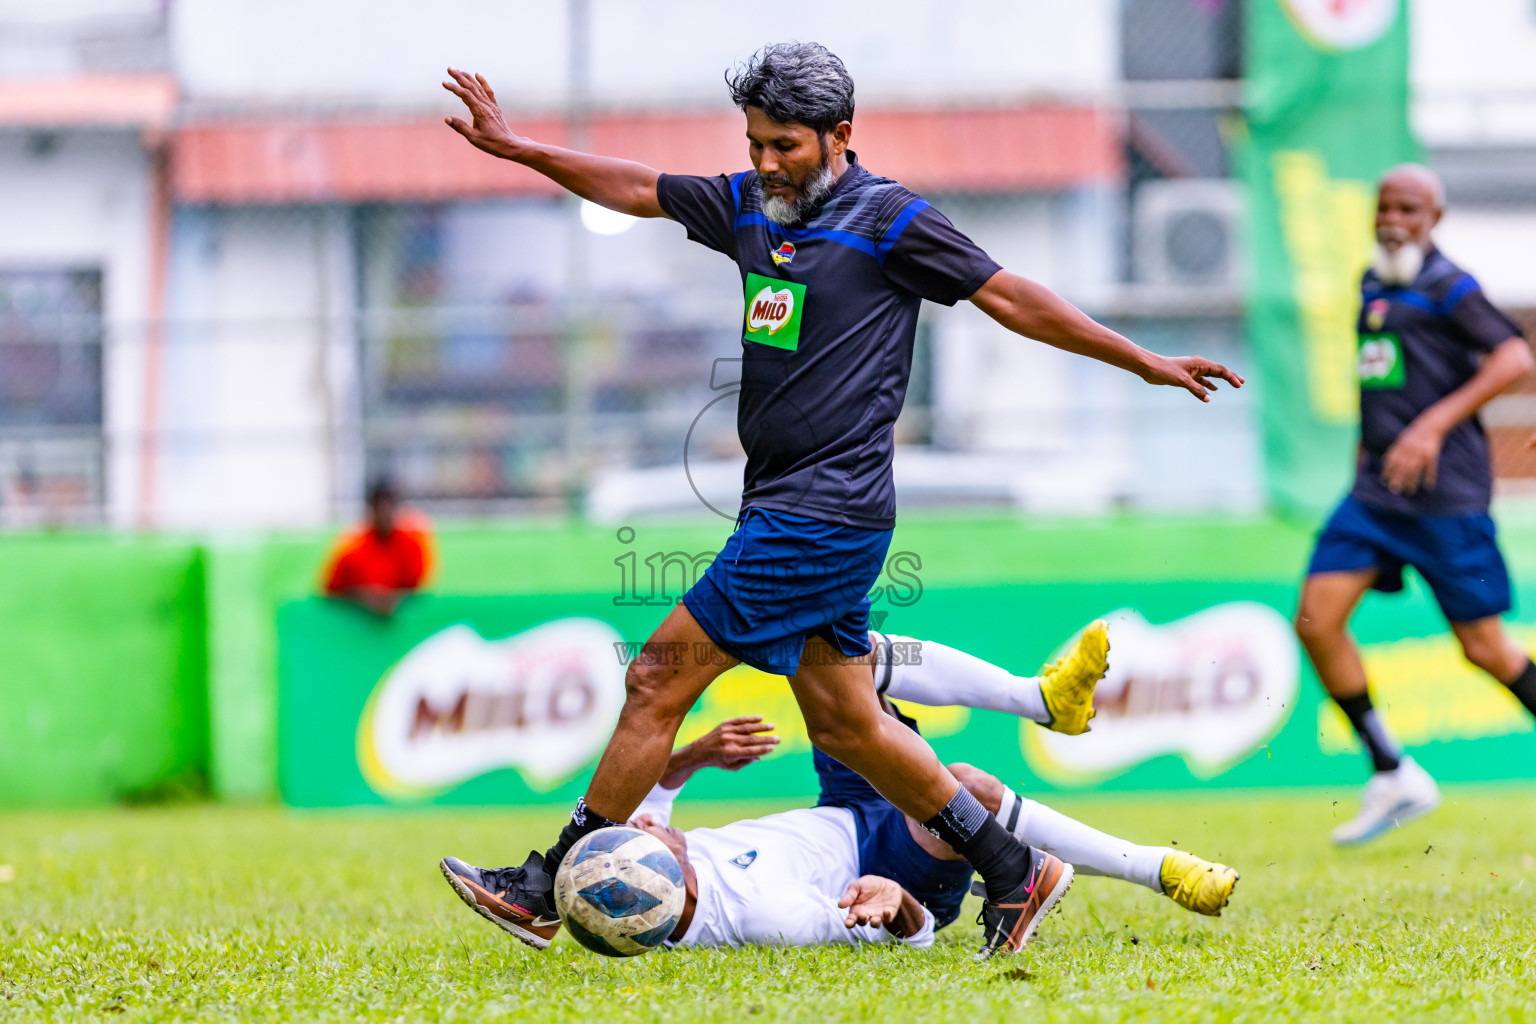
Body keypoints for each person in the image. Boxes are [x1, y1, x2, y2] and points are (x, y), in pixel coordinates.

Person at [436, 43, 1243, 958]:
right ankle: (1015, 874)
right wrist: (522, 149)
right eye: (754, 143)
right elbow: (637, 187)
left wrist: (1142, 359)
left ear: (840, 135)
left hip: (819, 515)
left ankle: (548, 884)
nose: (765, 162)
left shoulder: (889, 219)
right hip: (796, 509)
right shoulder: (750, 204)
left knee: (657, 677)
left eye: (784, 145)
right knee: (850, 724)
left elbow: (1011, 297)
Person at [445, 630, 1238, 952]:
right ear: (667, 877)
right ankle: (1155, 867)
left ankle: (1039, 699)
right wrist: (897, 904)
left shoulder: (637, 874)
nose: (647, 826)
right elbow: (907, 933)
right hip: (886, 847)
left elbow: (652, 790)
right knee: (968, 789)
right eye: (648, 837)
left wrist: (695, 753)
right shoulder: (765, 916)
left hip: (841, 806)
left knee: (825, 656)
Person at [1294, 164, 1536, 846]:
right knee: (1316, 619)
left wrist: (1431, 426)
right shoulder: (1373, 282)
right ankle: (1392, 771)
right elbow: (1379, 387)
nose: (1392, 218)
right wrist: (1363, 461)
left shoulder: (1450, 286)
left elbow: (1514, 358)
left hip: (1446, 496)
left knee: (1485, 649)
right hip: (1374, 495)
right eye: (1384, 206)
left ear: (1434, 218)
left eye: (1408, 208)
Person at [321, 478, 435, 617]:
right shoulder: (352, 545)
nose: (384, 515)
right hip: (358, 622)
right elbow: (330, 591)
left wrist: (391, 599)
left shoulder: (412, 544)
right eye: (380, 509)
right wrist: (364, 597)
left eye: (388, 508)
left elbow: (415, 589)